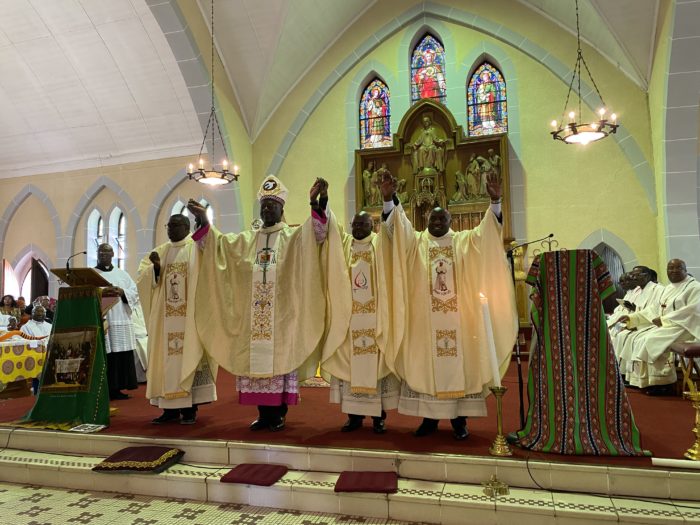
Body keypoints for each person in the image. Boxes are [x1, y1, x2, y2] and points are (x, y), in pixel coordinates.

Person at [380, 170, 517, 440]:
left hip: (460, 323)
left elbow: (488, 233)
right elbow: (399, 227)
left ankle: (459, 420)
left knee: (461, 369)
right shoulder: (416, 242)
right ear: (427, 219)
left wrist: (496, 202)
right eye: (434, 218)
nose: (438, 222)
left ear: (451, 221)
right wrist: (389, 199)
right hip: (423, 323)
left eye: (443, 218)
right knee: (425, 368)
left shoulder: (464, 241)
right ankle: (429, 420)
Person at [187, 175, 329, 432]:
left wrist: (315, 203)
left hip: (281, 317)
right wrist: (204, 221)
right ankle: (264, 415)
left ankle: (278, 414)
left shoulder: (292, 237)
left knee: (280, 362)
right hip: (254, 319)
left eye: (271, 206)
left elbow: (317, 234)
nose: (266, 210)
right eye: (263, 206)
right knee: (256, 366)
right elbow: (219, 247)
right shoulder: (247, 240)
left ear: (281, 210)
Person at [510, 250, 648, 456]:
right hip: (589, 333)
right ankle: (600, 429)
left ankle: (552, 428)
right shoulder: (593, 263)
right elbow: (605, 291)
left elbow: (536, 299)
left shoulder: (545, 266)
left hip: (554, 335)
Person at [322, 211, 400, 433]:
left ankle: (379, 418)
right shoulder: (345, 245)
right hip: (349, 319)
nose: (358, 228)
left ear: (372, 225)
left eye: (363, 224)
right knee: (350, 369)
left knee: (376, 369)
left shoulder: (379, 244)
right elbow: (331, 230)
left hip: (375, 318)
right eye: (354, 224)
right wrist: (323, 204)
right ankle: (353, 417)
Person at [137, 214, 218, 425]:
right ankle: (169, 410)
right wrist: (155, 269)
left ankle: (190, 409)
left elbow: (210, 269)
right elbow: (143, 277)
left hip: (189, 318)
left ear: (186, 227)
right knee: (165, 362)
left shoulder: (195, 249)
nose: (170, 230)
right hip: (165, 320)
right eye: (168, 226)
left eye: (175, 226)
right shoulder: (161, 251)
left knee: (189, 359)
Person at [616, 259, 700, 394]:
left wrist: (664, 319)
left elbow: (693, 311)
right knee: (640, 338)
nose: (673, 271)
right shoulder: (669, 288)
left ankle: (664, 383)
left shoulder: (694, 287)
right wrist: (633, 318)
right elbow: (654, 309)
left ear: (685, 269)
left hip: (685, 327)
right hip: (668, 326)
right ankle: (648, 381)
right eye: (670, 268)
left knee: (650, 339)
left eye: (677, 268)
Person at [95, 243, 138, 401]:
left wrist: (121, 291)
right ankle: (103, 388)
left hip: (120, 317)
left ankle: (118, 388)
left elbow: (135, 292)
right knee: (107, 354)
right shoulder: (91, 274)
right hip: (103, 319)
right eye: (101, 253)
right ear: (97, 254)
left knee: (120, 354)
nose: (104, 255)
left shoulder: (122, 275)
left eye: (107, 253)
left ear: (113, 254)